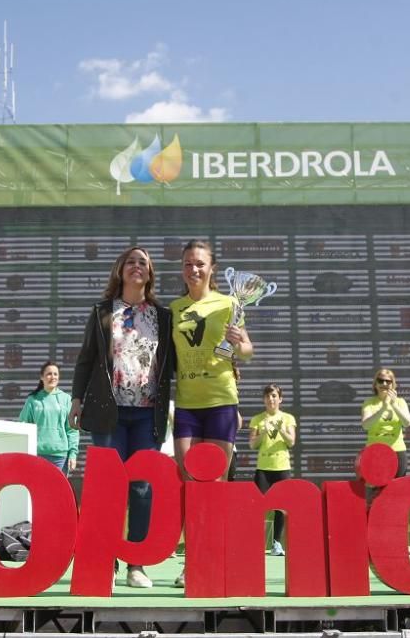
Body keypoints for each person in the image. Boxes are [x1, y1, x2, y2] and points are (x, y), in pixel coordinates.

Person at [68, 246, 174, 588]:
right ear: (120, 270)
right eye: (131, 262)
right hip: (108, 411)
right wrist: (76, 399)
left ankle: (136, 564)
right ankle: (105, 560)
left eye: (143, 263)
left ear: (150, 274)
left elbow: (176, 363)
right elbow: (85, 358)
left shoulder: (163, 315)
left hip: (147, 414)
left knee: (142, 489)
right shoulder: (102, 311)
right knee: (109, 488)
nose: (137, 267)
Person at [170, 239, 253, 587]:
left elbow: (247, 351)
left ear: (212, 268)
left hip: (220, 401)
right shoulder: (173, 308)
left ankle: (212, 558)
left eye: (200, 263)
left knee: (215, 484)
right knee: (190, 483)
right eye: (189, 263)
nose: (194, 269)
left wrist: (239, 343)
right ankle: (192, 562)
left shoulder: (230, 303)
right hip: (187, 404)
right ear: (183, 268)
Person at [248, 384, 296, 556]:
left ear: (280, 399)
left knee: (281, 507)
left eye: (274, 396)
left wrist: (279, 428)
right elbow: (252, 444)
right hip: (263, 469)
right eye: (268, 396)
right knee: (257, 506)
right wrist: (263, 432)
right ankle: (253, 542)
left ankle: (276, 544)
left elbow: (291, 442)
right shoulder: (257, 419)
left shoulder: (288, 418)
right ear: (264, 399)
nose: (271, 399)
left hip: (282, 468)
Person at [18, 362, 78, 475]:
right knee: (38, 491)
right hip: (37, 454)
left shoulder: (66, 399)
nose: (53, 377)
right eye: (49, 374)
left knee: (58, 491)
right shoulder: (33, 400)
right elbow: (23, 425)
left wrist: (73, 454)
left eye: (55, 374)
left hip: (60, 456)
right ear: (42, 377)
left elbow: (72, 430)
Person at [361, 368, 410, 477]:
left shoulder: (400, 402)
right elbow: (366, 425)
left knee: (398, 487)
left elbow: (407, 422)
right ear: (375, 384)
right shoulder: (369, 402)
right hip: (375, 452)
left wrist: (393, 404)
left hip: (397, 450)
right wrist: (383, 408)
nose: (384, 384)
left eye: (388, 381)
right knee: (376, 489)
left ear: (393, 385)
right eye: (380, 381)